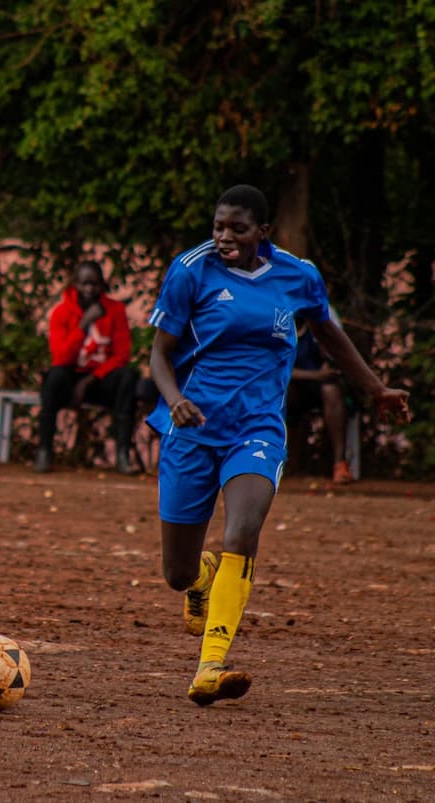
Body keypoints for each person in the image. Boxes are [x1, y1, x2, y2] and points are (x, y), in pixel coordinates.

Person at [146, 184, 409, 706]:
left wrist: (374, 388)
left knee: (242, 532)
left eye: (237, 229)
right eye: (219, 226)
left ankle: (211, 664)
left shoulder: (297, 274)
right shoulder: (190, 270)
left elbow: (328, 332)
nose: (224, 237)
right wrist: (173, 398)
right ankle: (203, 581)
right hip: (192, 430)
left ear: (262, 232)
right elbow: (159, 355)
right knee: (177, 573)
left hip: (257, 430)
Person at [34, 259, 140, 475]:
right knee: (54, 377)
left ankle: (122, 454)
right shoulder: (62, 313)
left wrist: (91, 379)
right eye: (84, 284)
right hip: (70, 379)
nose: (89, 289)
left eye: (94, 284)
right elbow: (61, 357)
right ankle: (44, 451)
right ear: (75, 284)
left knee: (128, 376)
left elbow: (121, 355)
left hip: (100, 380)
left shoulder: (115, 310)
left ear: (102, 285)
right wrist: (83, 325)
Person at [287, 314, 353, 484]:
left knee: (331, 390)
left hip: (320, 387)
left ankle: (340, 464)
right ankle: (288, 464)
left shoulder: (318, 327)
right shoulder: (277, 328)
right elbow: (278, 370)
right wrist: (315, 375)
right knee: (285, 392)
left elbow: (333, 362)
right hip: (292, 387)